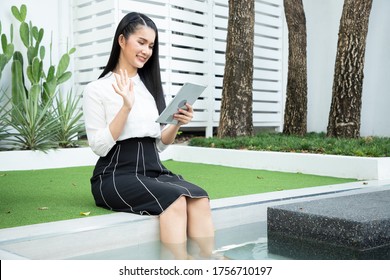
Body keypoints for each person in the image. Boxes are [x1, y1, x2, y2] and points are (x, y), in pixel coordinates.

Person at [82, 12, 215, 259]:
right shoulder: (96, 89)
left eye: (151, 45)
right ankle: (179, 263)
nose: (146, 50)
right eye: (141, 42)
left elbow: (159, 144)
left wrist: (176, 122)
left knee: (199, 198)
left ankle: (209, 258)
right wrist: (125, 107)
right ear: (122, 40)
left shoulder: (150, 87)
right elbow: (99, 146)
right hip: (115, 174)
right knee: (175, 200)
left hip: (153, 169)